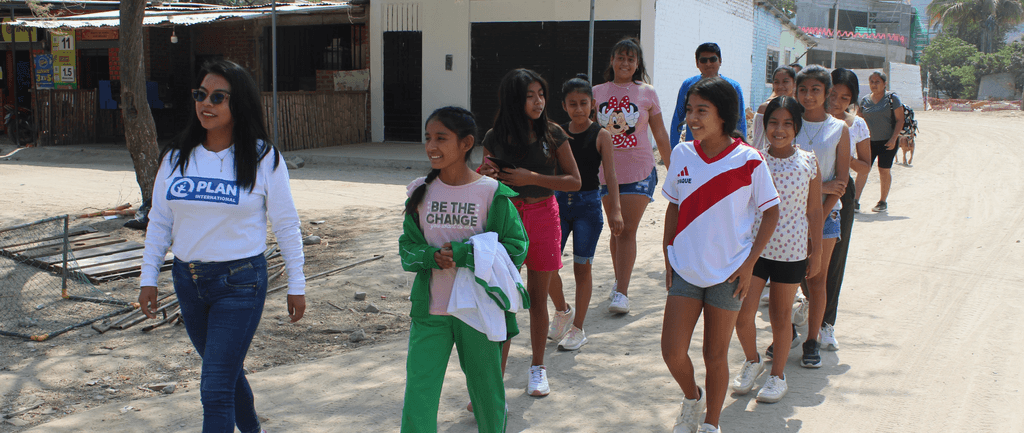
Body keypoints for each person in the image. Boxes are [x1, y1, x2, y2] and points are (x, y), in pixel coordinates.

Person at [137, 59, 306, 433]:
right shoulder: (176, 156)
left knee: (214, 387)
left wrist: (297, 284)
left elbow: (286, 224)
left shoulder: (264, 158)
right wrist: (148, 278)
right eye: (200, 95)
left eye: (218, 97)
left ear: (238, 103)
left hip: (241, 283)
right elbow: (160, 221)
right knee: (226, 374)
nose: (206, 104)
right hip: (188, 281)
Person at [398, 106, 528, 433]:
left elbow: (516, 247)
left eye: (441, 138)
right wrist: (430, 257)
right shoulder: (419, 193)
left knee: (487, 393)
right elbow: (407, 249)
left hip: (478, 310)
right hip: (431, 311)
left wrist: (464, 254)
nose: (431, 146)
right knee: (419, 393)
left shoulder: (491, 193)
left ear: (467, 143)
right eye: (428, 138)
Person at [661, 77, 780, 433]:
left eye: (702, 111)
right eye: (689, 111)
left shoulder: (750, 160)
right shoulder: (682, 153)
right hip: (685, 268)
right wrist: (668, 254)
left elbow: (771, 212)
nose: (692, 118)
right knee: (672, 351)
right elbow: (672, 207)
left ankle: (712, 423)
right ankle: (692, 397)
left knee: (715, 355)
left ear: (723, 115)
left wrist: (749, 264)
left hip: (729, 273)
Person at [480, 68, 581, 397]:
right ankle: (494, 378)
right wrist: (486, 174)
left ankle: (538, 368)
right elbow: (487, 179)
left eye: (541, 94)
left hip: (543, 215)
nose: (539, 101)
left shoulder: (553, 133)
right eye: (530, 96)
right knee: (503, 299)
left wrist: (530, 177)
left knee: (538, 299)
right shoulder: (495, 136)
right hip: (506, 219)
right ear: (514, 99)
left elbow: (574, 181)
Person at [732, 96, 823, 404]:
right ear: (764, 125)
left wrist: (818, 251)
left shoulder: (809, 162)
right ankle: (752, 360)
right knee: (741, 314)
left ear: (797, 127)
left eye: (787, 124)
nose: (779, 130)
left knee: (780, 316)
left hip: (791, 253)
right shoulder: (752, 158)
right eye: (773, 122)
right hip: (754, 252)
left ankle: (777, 376)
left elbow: (814, 211)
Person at [593, 36, 672, 315]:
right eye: (620, 57)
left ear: (637, 63)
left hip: (639, 170)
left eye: (631, 58)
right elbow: (587, 133)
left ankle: (622, 293)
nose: (625, 62)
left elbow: (660, 133)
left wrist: (673, 169)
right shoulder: (596, 92)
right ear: (612, 61)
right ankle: (619, 282)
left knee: (626, 229)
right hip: (606, 172)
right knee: (616, 230)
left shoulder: (647, 92)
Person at [547, 74, 624, 351]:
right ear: (564, 105)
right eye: (572, 104)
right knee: (547, 265)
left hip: (588, 207)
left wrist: (615, 210)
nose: (578, 109)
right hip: (556, 204)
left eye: (583, 103)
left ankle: (578, 328)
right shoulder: (556, 132)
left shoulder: (601, 135)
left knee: (582, 268)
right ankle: (561, 310)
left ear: (592, 105)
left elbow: (611, 176)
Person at [792, 65, 850, 368]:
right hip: (788, 217)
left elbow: (840, 183)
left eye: (816, 89)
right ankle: (785, 333)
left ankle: (812, 340)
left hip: (826, 217)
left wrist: (817, 218)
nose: (809, 95)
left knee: (816, 280)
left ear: (827, 92)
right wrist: (822, 184)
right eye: (803, 89)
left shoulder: (839, 129)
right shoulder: (789, 123)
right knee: (785, 280)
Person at [820, 68, 870, 351]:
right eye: (833, 94)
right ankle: (808, 302)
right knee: (798, 253)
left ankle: (827, 323)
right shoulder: (809, 118)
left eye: (844, 98)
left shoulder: (856, 125)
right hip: (808, 189)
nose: (836, 102)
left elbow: (865, 165)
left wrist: (845, 156)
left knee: (835, 258)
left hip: (841, 192)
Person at [670, 42, 747, 147]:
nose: (708, 64)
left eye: (713, 59)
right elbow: (678, 118)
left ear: (720, 61)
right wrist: (673, 148)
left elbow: (740, 121)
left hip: (724, 148)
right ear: (697, 63)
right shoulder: (688, 85)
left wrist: (741, 148)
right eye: (703, 60)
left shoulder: (733, 87)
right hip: (694, 148)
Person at [857, 71, 904, 213]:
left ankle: (882, 202)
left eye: (877, 82)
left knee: (884, 170)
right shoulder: (865, 100)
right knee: (862, 170)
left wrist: (893, 139)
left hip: (887, 142)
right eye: (872, 81)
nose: (874, 84)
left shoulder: (892, 99)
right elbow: (859, 120)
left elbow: (900, 119)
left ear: (885, 84)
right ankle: (854, 201)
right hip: (868, 142)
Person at [751, 66, 796, 151]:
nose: (780, 86)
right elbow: (758, 142)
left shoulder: (800, 110)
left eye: (785, 82)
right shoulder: (764, 109)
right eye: (776, 82)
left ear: (794, 84)